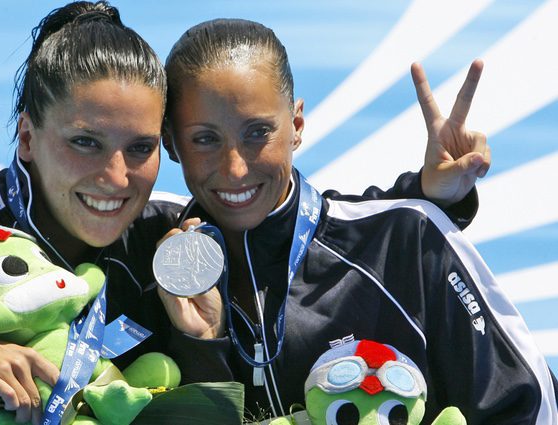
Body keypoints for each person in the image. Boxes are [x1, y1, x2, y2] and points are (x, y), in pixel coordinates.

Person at [0, 2, 484, 424]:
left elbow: (295, 227)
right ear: (26, 137)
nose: (114, 178)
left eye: (139, 148)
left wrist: (427, 196)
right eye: (84, 144)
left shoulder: (169, 237)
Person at [157, 18, 557, 424]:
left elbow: (528, 407)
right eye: (205, 139)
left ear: (296, 126)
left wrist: (428, 198)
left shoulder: (406, 240)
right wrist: (202, 346)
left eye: (258, 132)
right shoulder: (146, 250)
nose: (235, 168)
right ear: (170, 142)